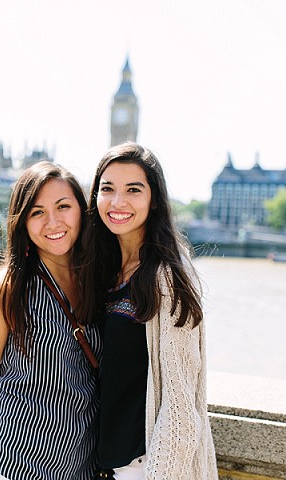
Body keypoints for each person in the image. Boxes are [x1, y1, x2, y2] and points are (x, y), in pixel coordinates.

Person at [0, 161, 101, 480]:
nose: (53, 222)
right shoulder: (5, 291)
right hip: (9, 466)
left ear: (82, 211)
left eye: (64, 207)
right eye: (37, 212)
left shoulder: (100, 285)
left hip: (78, 471)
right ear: (22, 223)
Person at [78, 142, 218, 480]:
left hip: (144, 469)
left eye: (133, 190)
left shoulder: (167, 278)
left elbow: (181, 407)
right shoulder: (103, 270)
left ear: (153, 199)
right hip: (100, 467)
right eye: (107, 189)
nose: (118, 202)